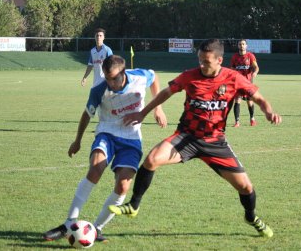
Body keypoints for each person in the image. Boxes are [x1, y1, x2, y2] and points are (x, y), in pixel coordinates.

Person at [109, 39, 282, 238]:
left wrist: (269, 112)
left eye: (206, 62)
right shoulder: (189, 76)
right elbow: (166, 92)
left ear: (219, 60)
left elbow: (259, 98)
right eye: (199, 60)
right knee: (151, 160)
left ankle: (251, 217)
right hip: (186, 137)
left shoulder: (233, 78)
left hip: (215, 142)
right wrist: (144, 113)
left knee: (246, 187)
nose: (201, 65)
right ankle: (134, 205)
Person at [43, 55, 167, 243]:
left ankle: (97, 228)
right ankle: (69, 223)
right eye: (106, 78)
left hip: (131, 138)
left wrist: (158, 108)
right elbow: (86, 115)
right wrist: (77, 141)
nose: (110, 82)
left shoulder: (139, 77)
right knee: (96, 168)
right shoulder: (99, 89)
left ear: (124, 73)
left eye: (114, 78)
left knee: (123, 185)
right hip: (107, 133)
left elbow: (154, 76)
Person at [230, 39, 260, 127]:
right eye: (240, 44)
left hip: (248, 83)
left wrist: (255, 72)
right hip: (238, 83)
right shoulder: (234, 57)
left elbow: (256, 67)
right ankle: (237, 122)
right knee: (237, 100)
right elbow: (231, 68)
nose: (241, 46)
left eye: (243, 44)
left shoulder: (250, 56)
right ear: (238, 46)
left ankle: (252, 119)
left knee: (249, 101)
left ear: (246, 46)